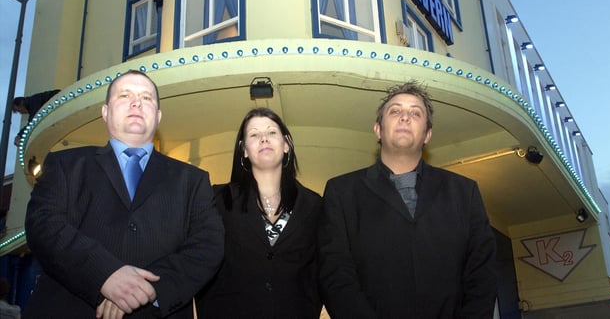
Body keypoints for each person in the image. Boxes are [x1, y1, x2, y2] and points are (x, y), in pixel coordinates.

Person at [24, 70, 225, 319]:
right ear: (105, 112)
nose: (136, 102)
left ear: (158, 116)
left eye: (147, 98)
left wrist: (146, 289)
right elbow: (43, 225)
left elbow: (208, 246)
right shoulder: (65, 164)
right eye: (125, 95)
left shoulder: (193, 180)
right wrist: (105, 274)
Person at [318, 81, 497, 318]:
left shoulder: (465, 192)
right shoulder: (341, 192)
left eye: (415, 112)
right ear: (378, 130)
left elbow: (482, 275)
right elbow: (336, 275)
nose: (405, 117)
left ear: (427, 135)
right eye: (395, 111)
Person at [196, 107, 322, 319]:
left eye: (272, 132)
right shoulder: (217, 200)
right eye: (254, 134)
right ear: (244, 150)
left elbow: (320, 271)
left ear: (286, 145)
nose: (264, 138)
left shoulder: (314, 205)